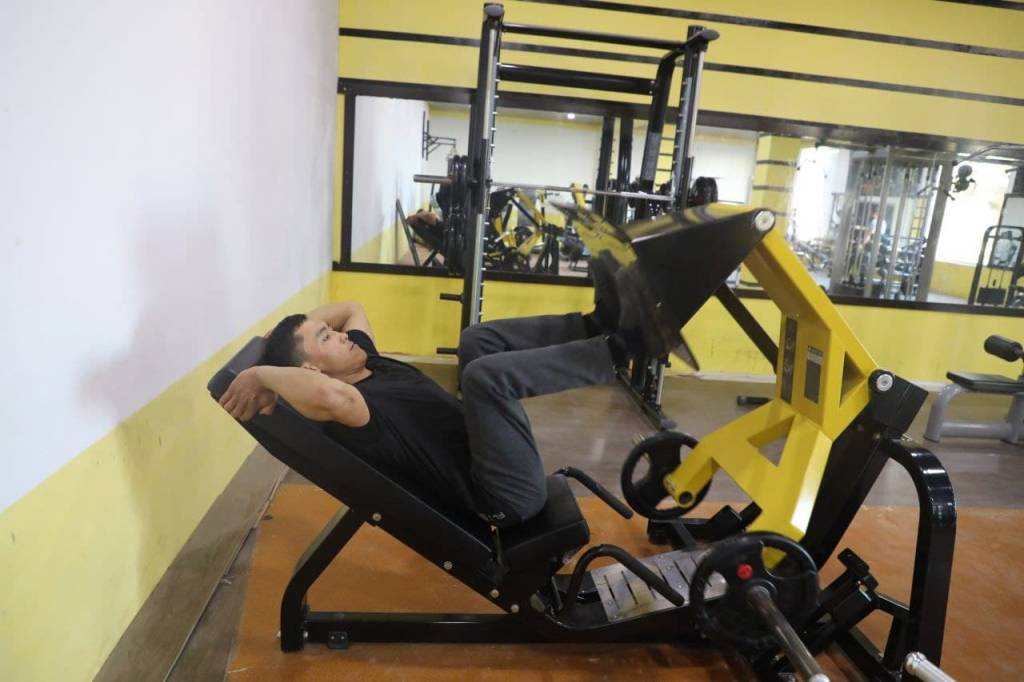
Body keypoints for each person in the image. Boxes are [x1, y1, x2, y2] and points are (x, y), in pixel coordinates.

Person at [218, 259, 665, 528]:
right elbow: (327, 396)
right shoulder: (353, 409)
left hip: (490, 459)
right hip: (502, 499)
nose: (340, 334)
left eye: (331, 330)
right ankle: (622, 348)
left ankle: (594, 326)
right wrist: (262, 372)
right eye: (326, 338)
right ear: (312, 369)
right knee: (483, 378)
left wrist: (285, 331)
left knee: (476, 340)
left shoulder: (368, 362)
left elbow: (352, 307)